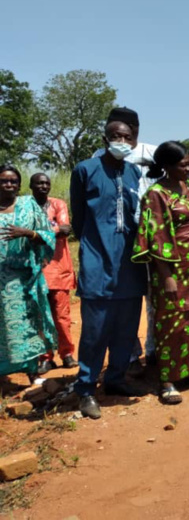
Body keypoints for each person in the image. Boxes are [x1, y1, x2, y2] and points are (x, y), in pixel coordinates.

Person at [132, 141, 189, 404]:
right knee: (173, 322)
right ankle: (168, 379)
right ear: (167, 167)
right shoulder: (156, 194)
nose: (188, 168)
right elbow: (156, 235)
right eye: (183, 165)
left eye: (188, 163)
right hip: (175, 269)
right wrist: (167, 276)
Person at [71, 121, 147, 419]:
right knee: (95, 330)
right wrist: (95, 245)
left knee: (126, 328)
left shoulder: (134, 172)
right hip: (97, 259)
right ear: (105, 138)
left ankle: (116, 379)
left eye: (128, 137)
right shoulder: (85, 169)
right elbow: (78, 220)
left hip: (129, 263)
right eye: (116, 136)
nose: (122, 141)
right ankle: (86, 388)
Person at [92, 107, 158, 371]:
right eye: (114, 132)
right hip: (118, 240)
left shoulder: (152, 154)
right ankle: (131, 355)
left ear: (136, 130)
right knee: (124, 299)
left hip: (151, 238)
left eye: (127, 131)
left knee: (154, 298)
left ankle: (154, 350)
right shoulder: (98, 158)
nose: (121, 140)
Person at [0, 165, 56, 382]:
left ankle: (32, 372)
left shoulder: (28, 205)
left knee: (28, 324)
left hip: (23, 279)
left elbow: (48, 235)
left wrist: (28, 233)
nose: (9, 184)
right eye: (4, 180)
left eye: (13, 181)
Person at [30, 173, 77, 371]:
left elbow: (66, 229)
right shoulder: (26, 206)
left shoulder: (58, 204)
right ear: (31, 186)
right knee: (40, 315)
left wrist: (34, 233)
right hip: (35, 269)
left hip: (58, 269)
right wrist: (51, 230)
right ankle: (45, 357)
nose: (43, 186)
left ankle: (67, 353)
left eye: (46, 183)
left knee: (61, 315)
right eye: (39, 183)